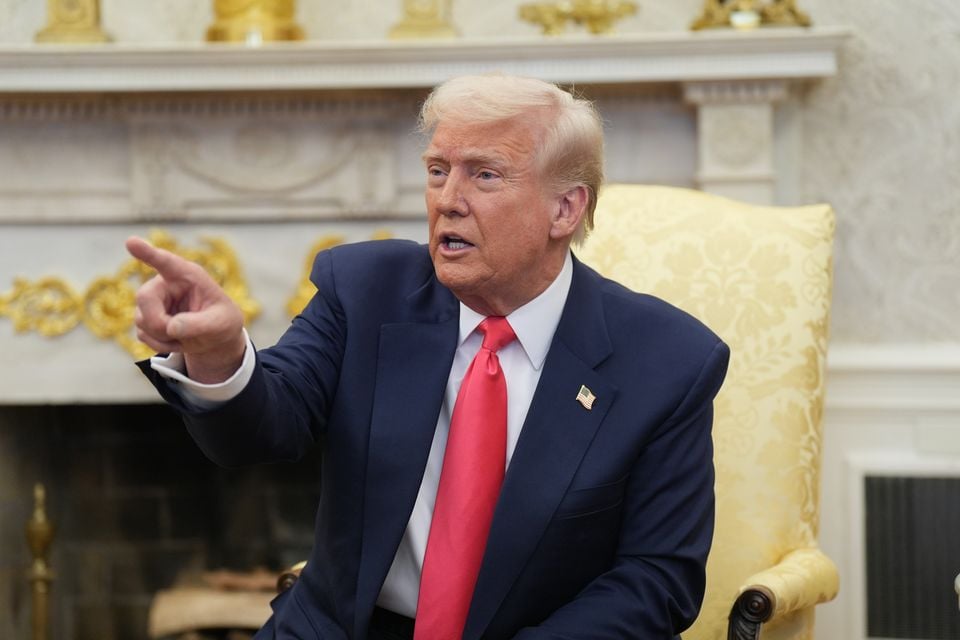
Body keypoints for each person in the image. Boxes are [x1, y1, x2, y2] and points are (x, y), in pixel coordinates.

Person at [127, 73, 729, 640]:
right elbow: (264, 429)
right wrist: (221, 355)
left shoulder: (667, 362)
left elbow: (657, 579)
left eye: (484, 175)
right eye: (438, 170)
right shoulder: (365, 289)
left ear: (565, 210)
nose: (448, 199)